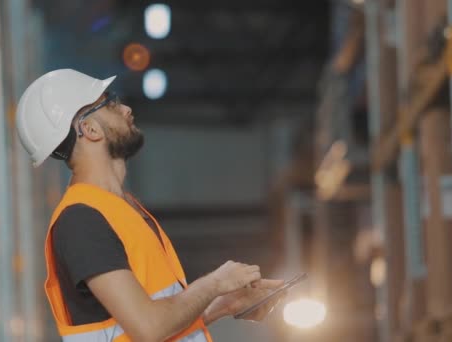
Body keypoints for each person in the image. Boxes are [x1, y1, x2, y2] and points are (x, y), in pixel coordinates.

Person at [16, 69, 284, 342]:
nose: (126, 109)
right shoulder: (81, 221)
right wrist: (214, 283)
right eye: (109, 104)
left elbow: (155, 324)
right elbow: (149, 327)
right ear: (90, 129)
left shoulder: (118, 208)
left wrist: (225, 304)